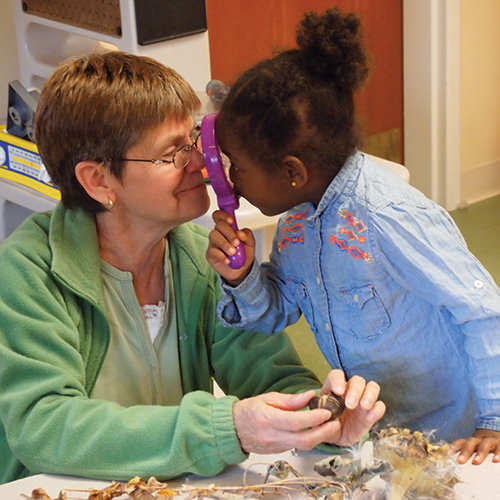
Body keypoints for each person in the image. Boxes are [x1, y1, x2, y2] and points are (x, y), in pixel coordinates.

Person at [0, 51, 386, 485]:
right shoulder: (26, 270)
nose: (203, 163)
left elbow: (271, 375)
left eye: (194, 140)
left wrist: (324, 414)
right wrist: (227, 427)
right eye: (173, 153)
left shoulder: (203, 257)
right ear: (98, 181)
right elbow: (43, 426)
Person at [206, 8, 500, 465]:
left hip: (456, 436)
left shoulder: (391, 216)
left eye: (237, 165)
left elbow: (482, 309)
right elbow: (277, 311)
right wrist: (243, 276)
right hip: (378, 434)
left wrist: (494, 420)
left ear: (292, 171)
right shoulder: (296, 227)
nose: (231, 179)